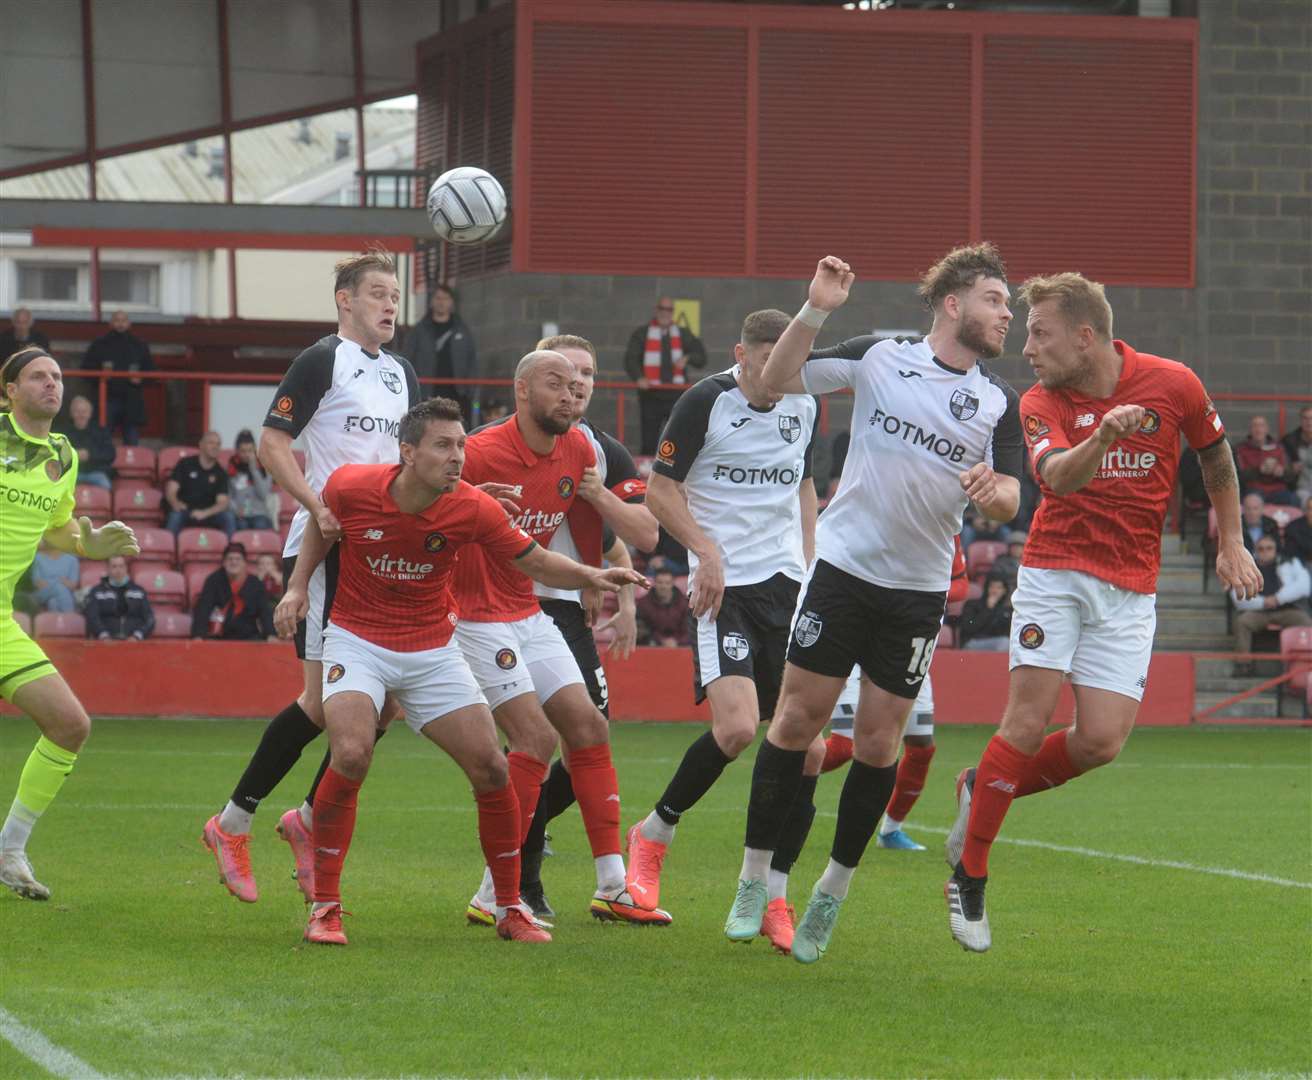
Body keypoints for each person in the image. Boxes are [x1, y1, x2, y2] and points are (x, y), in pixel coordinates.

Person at [943, 272, 1262, 953]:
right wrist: (1103, 437)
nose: (1027, 347)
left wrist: (1231, 540)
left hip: (1131, 586)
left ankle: (980, 785)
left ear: (1086, 337)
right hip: (1055, 574)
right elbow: (1057, 477)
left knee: (1100, 743)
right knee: (1026, 724)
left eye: (1041, 333)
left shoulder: (1174, 383)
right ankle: (970, 874)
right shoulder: (1037, 400)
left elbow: (1216, 458)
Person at [723, 247, 1023, 965]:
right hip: (844, 571)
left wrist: (993, 492)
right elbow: (776, 376)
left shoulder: (997, 400)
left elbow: (1015, 496)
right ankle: (753, 879)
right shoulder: (881, 356)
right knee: (796, 721)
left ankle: (831, 889)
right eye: (994, 300)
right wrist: (818, 307)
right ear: (953, 304)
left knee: (881, 744)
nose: (1006, 313)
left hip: (916, 593)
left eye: (1008, 304)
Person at [272, 398, 647, 945]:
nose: (457, 457)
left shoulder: (472, 507)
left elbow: (537, 562)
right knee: (352, 752)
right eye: (444, 446)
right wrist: (298, 585)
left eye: (462, 446)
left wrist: (594, 573)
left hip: (432, 650)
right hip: (359, 641)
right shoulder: (352, 486)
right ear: (407, 452)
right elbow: (323, 528)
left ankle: (507, 906)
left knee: (494, 768)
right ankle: (325, 908)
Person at [199, 249, 420, 905]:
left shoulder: (402, 373)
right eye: (377, 293)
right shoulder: (322, 359)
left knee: (387, 705)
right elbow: (273, 443)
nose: (389, 305)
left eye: (394, 296)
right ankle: (234, 821)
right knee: (326, 707)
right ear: (344, 301)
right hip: (331, 545)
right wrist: (315, 503)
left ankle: (304, 817)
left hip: (388, 549)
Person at [453, 350, 669, 927]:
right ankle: (496, 892)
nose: (571, 395)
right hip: (474, 616)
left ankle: (613, 887)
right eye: (557, 384)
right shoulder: (476, 452)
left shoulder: (580, 450)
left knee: (589, 728)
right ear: (521, 390)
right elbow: (413, 504)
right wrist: (465, 504)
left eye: (578, 386)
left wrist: (602, 575)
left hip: (531, 608)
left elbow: (612, 536)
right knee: (535, 739)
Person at [629, 308, 821, 951]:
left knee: (811, 751)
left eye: (786, 362)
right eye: (764, 361)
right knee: (739, 728)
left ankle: (773, 895)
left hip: (788, 588)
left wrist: (812, 561)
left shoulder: (805, 404)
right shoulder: (704, 401)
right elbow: (660, 491)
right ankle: (654, 834)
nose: (775, 375)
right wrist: (705, 553)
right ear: (740, 353)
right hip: (725, 589)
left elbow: (803, 485)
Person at [512, 333, 658, 919]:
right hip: (514, 606)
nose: (577, 385)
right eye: (564, 373)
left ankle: (517, 844)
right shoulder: (507, 441)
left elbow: (643, 534)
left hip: (567, 609)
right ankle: (521, 881)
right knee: (536, 743)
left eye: (588, 374)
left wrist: (598, 496)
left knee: (585, 744)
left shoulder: (602, 451)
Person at [0, 347, 138, 899]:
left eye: (57, 376)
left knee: (70, 725)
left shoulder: (63, 453)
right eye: (37, 376)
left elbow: (57, 529)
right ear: (9, 390)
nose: (51, 384)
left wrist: (88, 543)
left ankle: (10, 850)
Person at [823, 536, 970, 854]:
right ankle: (782, 777)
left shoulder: (946, 527)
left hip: (912, 642)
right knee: (841, 748)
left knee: (921, 747)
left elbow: (961, 586)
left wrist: (928, 586)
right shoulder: (880, 514)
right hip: (858, 637)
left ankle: (891, 830)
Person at [624, 297, 708, 455]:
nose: (665, 313)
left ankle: (673, 475)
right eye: (662, 309)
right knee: (649, 441)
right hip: (650, 395)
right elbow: (630, 359)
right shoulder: (642, 333)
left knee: (677, 439)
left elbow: (701, 357)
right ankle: (646, 477)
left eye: (669, 310)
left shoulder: (683, 333)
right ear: (656, 311)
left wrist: (688, 358)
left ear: (673, 313)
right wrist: (638, 377)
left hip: (676, 396)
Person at [1231, 536, 1312, 674]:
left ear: (1276, 550)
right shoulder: (1246, 567)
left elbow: (1304, 586)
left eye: (1269, 548)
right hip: (1259, 611)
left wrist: (1278, 599)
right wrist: (1264, 602)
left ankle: (1304, 664)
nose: (1265, 552)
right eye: (1261, 549)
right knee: (1242, 622)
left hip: (1287, 610)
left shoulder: (1290, 563)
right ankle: (1243, 665)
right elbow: (1237, 596)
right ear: (1255, 551)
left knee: (1306, 622)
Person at [402, 282, 477, 421]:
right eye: (438, 298)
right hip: (427, 391)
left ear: (452, 302)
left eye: (446, 298)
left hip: (457, 393)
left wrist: (469, 390)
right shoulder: (419, 331)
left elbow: (471, 360)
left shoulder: (462, 330)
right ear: (431, 302)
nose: (441, 302)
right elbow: (408, 357)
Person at [85, 310, 154, 445]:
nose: (120, 324)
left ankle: (132, 465)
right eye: (117, 320)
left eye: (123, 321)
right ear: (111, 323)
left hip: (131, 398)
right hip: (107, 397)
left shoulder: (139, 345)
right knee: (104, 436)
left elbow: (150, 371)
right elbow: (86, 369)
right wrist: (101, 376)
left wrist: (141, 379)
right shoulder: (100, 344)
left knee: (131, 438)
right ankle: (103, 465)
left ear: (129, 324)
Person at [191, 542, 276, 641]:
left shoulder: (255, 584)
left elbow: (265, 611)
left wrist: (271, 634)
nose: (234, 562)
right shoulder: (213, 581)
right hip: (220, 637)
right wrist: (198, 635)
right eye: (230, 559)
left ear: (245, 563)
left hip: (248, 637)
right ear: (223, 562)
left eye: (238, 559)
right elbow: (203, 609)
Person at [164, 431, 237, 537]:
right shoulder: (185, 464)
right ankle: (168, 549)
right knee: (175, 516)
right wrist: (176, 504)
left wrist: (205, 513)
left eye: (218, 444)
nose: (215, 447)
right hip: (185, 511)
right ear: (201, 445)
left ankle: (232, 552)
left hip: (209, 513)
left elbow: (222, 503)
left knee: (228, 517)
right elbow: (171, 491)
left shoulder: (221, 472)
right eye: (211, 443)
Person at [84, 555, 155, 640]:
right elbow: (92, 617)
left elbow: (149, 618)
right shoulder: (97, 591)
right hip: (105, 643)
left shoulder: (139, 591)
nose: (118, 570)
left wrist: (137, 636)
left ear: (126, 568)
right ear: (108, 569)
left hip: (134, 644)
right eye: (114, 566)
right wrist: (103, 635)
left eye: (121, 566)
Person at [1235, 415, 1297, 506]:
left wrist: (1281, 472)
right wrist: (1259, 470)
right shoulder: (1241, 449)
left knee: (1295, 500)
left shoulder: (1279, 448)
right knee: (1252, 502)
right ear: (1250, 430)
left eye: (1261, 426)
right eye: (1255, 426)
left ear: (1267, 429)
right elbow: (1238, 476)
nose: (1258, 429)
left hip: (1278, 489)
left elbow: (1291, 475)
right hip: (1253, 490)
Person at [58, 395, 114, 490]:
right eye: (77, 412)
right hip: (71, 473)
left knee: (106, 485)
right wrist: (73, 455)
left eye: (84, 412)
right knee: (58, 487)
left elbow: (110, 454)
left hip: (95, 472)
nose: (81, 415)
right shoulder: (63, 432)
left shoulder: (101, 431)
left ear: (90, 414)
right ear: (71, 414)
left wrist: (89, 455)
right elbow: (55, 455)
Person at [227, 429, 275, 530]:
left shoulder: (265, 467)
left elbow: (263, 495)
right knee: (241, 526)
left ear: (255, 450)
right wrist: (235, 510)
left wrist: (253, 470)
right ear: (237, 451)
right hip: (239, 515)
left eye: (250, 451)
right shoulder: (231, 467)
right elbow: (228, 495)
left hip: (260, 514)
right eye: (243, 451)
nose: (246, 454)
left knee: (260, 525)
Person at [636, 565, 690, 646]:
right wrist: (661, 641)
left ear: (672, 583)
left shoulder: (684, 604)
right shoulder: (643, 604)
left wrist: (677, 641)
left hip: (680, 647)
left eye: (667, 583)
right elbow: (641, 629)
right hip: (652, 646)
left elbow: (688, 629)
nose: (663, 586)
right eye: (660, 582)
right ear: (654, 583)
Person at [958, 576, 1013, 651]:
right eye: (992, 587)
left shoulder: (1007, 611)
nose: (995, 590)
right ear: (986, 588)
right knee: (1005, 643)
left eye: (999, 588)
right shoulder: (972, 605)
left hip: (997, 643)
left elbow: (1006, 633)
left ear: (1004, 591)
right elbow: (969, 628)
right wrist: (988, 609)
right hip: (973, 642)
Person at [28, 540, 80, 614]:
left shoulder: (72, 559)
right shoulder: (38, 558)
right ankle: (70, 616)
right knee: (58, 587)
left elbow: (73, 585)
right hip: (43, 593)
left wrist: (50, 582)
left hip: (65, 593)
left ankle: (59, 624)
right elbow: (37, 583)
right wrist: (61, 581)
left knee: (53, 602)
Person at [1281, 406, 1312, 505]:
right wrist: (1291, 468)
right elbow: (1283, 467)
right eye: (1305, 418)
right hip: (1300, 486)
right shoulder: (1289, 441)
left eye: (1311, 418)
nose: (1309, 422)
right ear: (1300, 420)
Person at [1283, 496, 1312, 567]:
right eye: (1310, 509)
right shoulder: (1293, 528)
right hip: (1302, 566)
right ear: (1306, 510)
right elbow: (1291, 555)